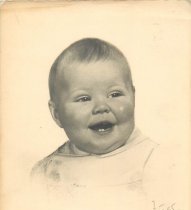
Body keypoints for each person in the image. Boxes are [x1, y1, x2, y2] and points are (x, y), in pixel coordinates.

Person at [31, 38, 158, 193]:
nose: (101, 107)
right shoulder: (45, 173)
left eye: (114, 94)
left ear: (133, 97)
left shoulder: (154, 160)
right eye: (84, 98)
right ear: (57, 114)